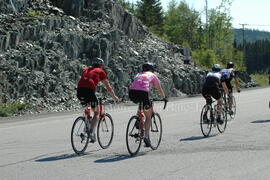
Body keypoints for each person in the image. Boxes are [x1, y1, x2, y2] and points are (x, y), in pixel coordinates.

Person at [77, 58, 119, 143]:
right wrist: (115, 97)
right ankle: (91, 131)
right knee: (96, 112)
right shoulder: (100, 71)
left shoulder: (86, 69)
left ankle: (87, 121)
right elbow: (108, 87)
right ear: (101, 65)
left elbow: (85, 81)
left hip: (79, 91)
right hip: (89, 91)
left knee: (88, 106)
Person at [129, 62, 167, 147]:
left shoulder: (138, 74)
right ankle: (146, 137)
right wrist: (164, 98)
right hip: (143, 93)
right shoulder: (152, 75)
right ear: (152, 69)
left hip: (131, 93)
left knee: (140, 103)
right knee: (148, 116)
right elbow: (159, 89)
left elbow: (136, 85)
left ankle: (138, 118)